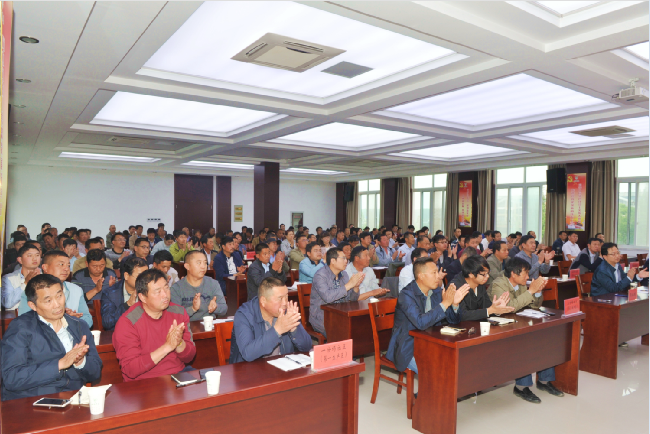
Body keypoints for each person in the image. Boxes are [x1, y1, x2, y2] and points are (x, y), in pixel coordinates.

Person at [1, 274, 102, 401]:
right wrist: (59, 364)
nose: (57, 304)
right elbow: (11, 377)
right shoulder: (20, 328)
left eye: (59, 296)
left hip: (73, 398)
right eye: (48, 301)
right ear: (33, 305)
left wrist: (80, 362)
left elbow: (95, 373)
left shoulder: (79, 325)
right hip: (32, 400)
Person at [490, 258, 564, 403]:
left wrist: (537, 293)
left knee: (547, 337)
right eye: (525, 273)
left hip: (518, 321)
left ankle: (544, 381)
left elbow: (534, 305)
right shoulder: (499, 283)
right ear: (513, 273)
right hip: (499, 325)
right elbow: (509, 308)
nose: (528, 277)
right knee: (524, 343)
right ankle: (521, 387)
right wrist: (531, 291)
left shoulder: (521, 284)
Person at [113, 269, 196, 382]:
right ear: (142, 297)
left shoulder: (179, 312)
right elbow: (130, 369)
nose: (165, 295)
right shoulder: (128, 322)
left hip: (177, 375)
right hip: (144, 381)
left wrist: (179, 343)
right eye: (158, 291)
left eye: (166, 288)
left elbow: (190, 357)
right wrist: (167, 347)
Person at [387, 257, 467, 374]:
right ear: (421, 276)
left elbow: (453, 321)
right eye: (434, 273)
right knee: (435, 372)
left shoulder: (436, 291)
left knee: (458, 364)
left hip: (433, 342)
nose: (438, 276)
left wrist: (454, 304)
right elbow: (420, 323)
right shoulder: (406, 295)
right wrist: (445, 304)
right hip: (409, 346)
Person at [229, 277, 312, 363]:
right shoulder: (244, 315)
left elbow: (306, 347)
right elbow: (248, 353)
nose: (285, 303)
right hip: (251, 369)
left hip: (283, 367)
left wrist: (294, 329)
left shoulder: (286, 312)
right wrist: (277, 330)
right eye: (280, 298)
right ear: (263, 301)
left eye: (286, 297)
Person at [17, 250, 93, 328]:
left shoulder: (76, 289)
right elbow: (24, 322)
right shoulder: (32, 290)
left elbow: (88, 320)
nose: (66, 269)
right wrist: (63, 319)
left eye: (68, 265)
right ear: (45, 267)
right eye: (61, 264)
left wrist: (73, 320)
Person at [309, 248, 365, 337]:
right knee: (345, 332)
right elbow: (328, 297)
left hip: (340, 315)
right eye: (343, 258)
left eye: (346, 258)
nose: (346, 261)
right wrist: (349, 285)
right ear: (333, 261)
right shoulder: (320, 275)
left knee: (361, 327)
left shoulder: (344, 274)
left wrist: (356, 287)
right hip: (322, 317)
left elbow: (352, 299)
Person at [452, 255, 514, 322]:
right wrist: (490, 310)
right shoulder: (455, 287)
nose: (487, 276)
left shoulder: (479, 283)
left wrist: (497, 309)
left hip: (473, 324)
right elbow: (462, 315)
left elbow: (487, 306)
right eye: (484, 274)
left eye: (488, 273)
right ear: (471, 274)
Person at [171, 251, 227, 321]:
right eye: (199, 263)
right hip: (187, 326)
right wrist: (193, 309)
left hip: (209, 325)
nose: (203, 266)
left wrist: (216, 307)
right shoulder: (176, 288)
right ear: (187, 266)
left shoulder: (213, 283)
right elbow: (175, 316)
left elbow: (224, 309)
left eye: (205, 263)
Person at [100, 256, 149, 331]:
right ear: (126, 276)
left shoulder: (151, 290)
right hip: (122, 333)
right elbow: (107, 322)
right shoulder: (110, 293)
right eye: (140, 276)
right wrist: (127, 305)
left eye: (147, 276)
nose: (145, 280)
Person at [2, 244, 42, 310]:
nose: (35, 258)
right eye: (30, 255)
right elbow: (7, 303)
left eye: (37, 255)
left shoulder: (46, 275)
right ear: (20, 260)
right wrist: (25, 283)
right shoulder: (8, 278)